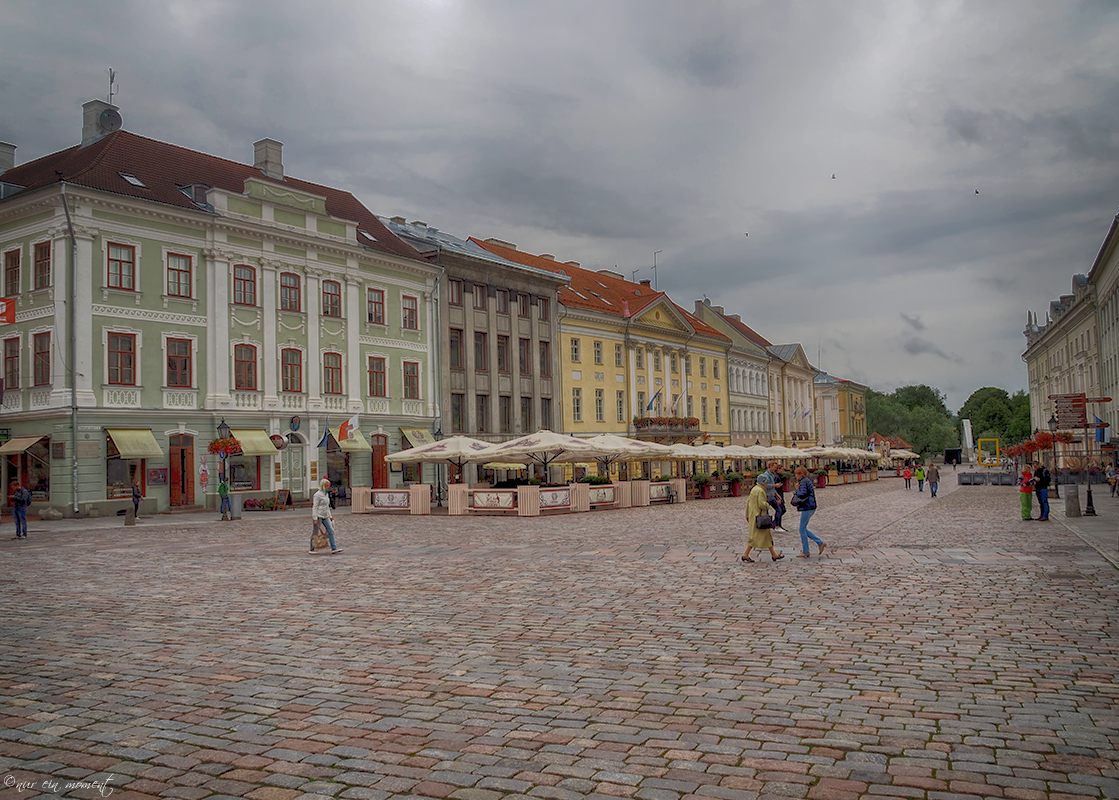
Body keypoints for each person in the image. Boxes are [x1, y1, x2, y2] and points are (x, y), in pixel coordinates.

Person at [741, 477, 783, 563]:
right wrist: (768, 505)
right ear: (764, 483)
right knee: (755, 537)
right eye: (766, 482)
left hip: (754, 516)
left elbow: (749, 502)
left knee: (766, 536)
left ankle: (774, 554)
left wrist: (747, 515)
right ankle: (745, 554)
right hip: (760, 517)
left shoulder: (754, 489)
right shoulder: (760, 491)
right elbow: (761, 504)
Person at [791, 465, 825, 558]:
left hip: (808, 506)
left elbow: (802, 493)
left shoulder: (803, 481)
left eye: (796, 475)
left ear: (800, 474)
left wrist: (797, 489)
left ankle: (806, 551)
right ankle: (819, 542)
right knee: (803, 528)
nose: (795, 476)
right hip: (810, 506)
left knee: (802, 529)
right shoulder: (807, 480)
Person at [311, 478, 343, 554]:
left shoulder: (326, 494)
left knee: (330, 531)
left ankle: (334, 548)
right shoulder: (317, 495)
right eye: (327, 485)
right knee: (315, 532)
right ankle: (311, 548)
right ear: (323, 486)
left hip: (325, 515)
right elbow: (315, 507)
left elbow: (326, 506)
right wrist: (315, 518)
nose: (328, 487)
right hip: (318, 515)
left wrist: (330, 515)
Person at [756, 461, 787, 532]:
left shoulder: (772, 475)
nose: (775, 469)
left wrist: (777, 495)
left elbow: (772, 487)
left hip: (772, 495)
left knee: (775, 510)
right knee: (778, 510)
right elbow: (765, 485)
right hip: (768, 496)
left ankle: (771, 525)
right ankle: (776, 526)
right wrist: (775, 485)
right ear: (770, 466)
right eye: (774, 467)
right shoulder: (766, 475)